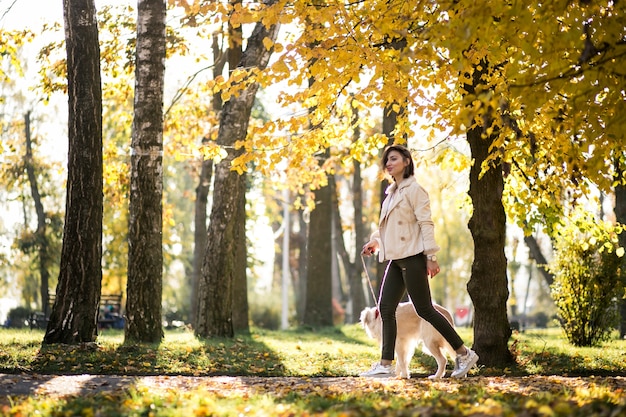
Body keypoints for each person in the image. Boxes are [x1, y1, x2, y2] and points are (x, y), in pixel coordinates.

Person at [360, 144, 479, 378]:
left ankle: (464, 353)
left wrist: (431, 256)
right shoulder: (391, 193)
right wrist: (376, 242)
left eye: (394, 158)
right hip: (395, 258)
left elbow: (426, 224)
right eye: (386, 161)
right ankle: (385, 364)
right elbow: (389, 229)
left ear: (406, 160)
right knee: (386, 308)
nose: (389, 163)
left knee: (425, 309)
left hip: (413, 258)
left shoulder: (415, 190)